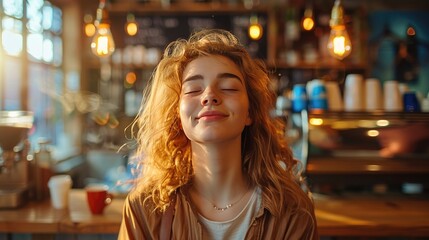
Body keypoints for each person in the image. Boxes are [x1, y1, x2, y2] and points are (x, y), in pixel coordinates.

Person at [118, 29, 318, 239]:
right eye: (193, 89)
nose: (209, 96)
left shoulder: (292, 211)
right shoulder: (144, 209)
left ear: (250, 111)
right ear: (177, 114)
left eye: (229, 87)